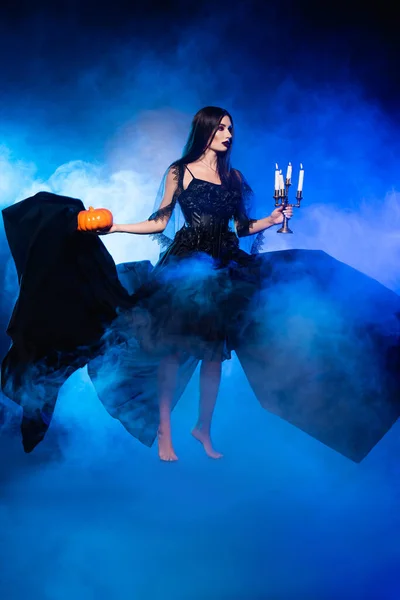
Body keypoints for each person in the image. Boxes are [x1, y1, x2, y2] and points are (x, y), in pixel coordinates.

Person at [98, 106, 293, 461]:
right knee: (173, 351)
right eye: (221, 128)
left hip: (223, 267)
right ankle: (164, 431)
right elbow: (160, 222)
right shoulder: (180, 170)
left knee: (213, 356)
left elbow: (241, 227)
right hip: (187, 267)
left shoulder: (234, 177)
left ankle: (203, 427)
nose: (228, 134)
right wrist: (116, 226)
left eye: (231, 128)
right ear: (205, 131)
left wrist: (272, 218)